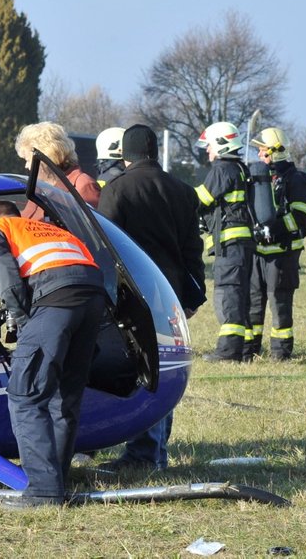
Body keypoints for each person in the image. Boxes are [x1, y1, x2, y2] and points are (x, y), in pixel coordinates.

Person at [0, 200, 108, 507]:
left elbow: (6, 277)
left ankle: (43, 491)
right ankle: (56, 480)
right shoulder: (48, 229)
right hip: (92, 299)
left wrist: (21, 322)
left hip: (55, 301)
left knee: (26, 395)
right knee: (65, 397)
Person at [97, 124, 206, 470]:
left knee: (145, 369)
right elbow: (193, 250)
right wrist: (193, 296)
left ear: (124, 155)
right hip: (171, 292)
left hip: (135, 293)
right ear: (155, 151)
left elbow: (109, 249)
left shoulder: (117, 190)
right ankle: (157, 451)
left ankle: (144, 453)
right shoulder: (184, 191)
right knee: (166, 367)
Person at [246, 127, 306, 361]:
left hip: (283, 254)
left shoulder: (296, 179)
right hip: (258, 252)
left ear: (276, 151)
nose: (258, 155)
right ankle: (250, 350)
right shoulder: (262, 178)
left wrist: (273, 227)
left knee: (279, 302)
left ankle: (280, 352)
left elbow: (303, 220)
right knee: (253, 301)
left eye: (262, 150)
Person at [195, 121, 255, 362]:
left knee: (229, 294)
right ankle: (247, 349)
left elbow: (199, 200)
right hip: (242, 244)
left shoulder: (222, 170)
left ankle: (228, 352)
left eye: (209, 145)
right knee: (240, 295)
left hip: (230, 246)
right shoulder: (240, 168)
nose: (207, 150)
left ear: (220, 144)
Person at [15, 122, 100, 219]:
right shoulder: (39, 189)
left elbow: (89, 230)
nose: (27, 166)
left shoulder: (83, 185)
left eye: (28, 160)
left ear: (46, 157)